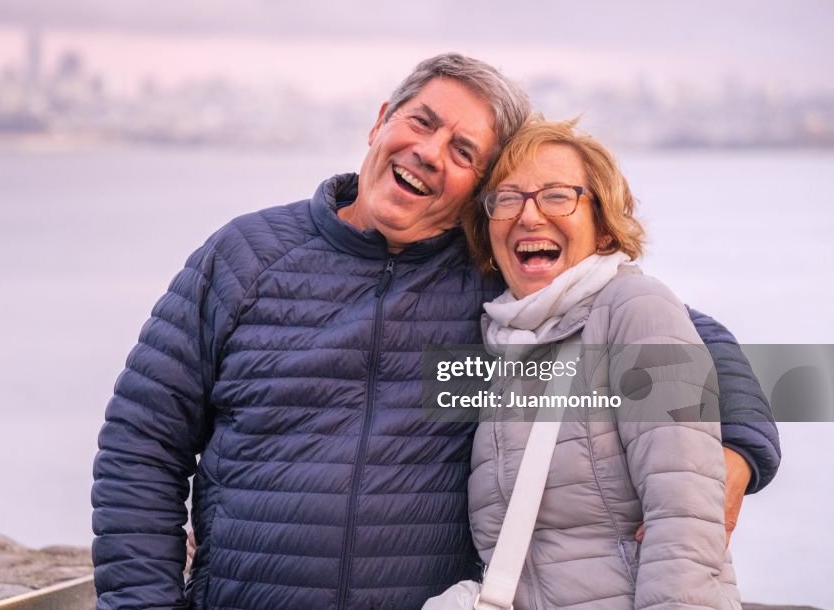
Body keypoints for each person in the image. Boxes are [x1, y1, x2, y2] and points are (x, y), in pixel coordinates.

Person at [92, 54, 780, 609]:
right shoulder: (246, 258)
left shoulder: (490, 283)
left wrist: (739, 451)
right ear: (380, 122)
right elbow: (141, 444)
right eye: (420, 122)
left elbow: (680, 334)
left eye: (462, 151)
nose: (428, 152)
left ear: (475, 189)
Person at [453, 117, 743, 608]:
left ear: (604, 228)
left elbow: (685, 520)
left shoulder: (637, 309)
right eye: (508, 199)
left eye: (557, 196)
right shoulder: (507, 340)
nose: (529, 215)